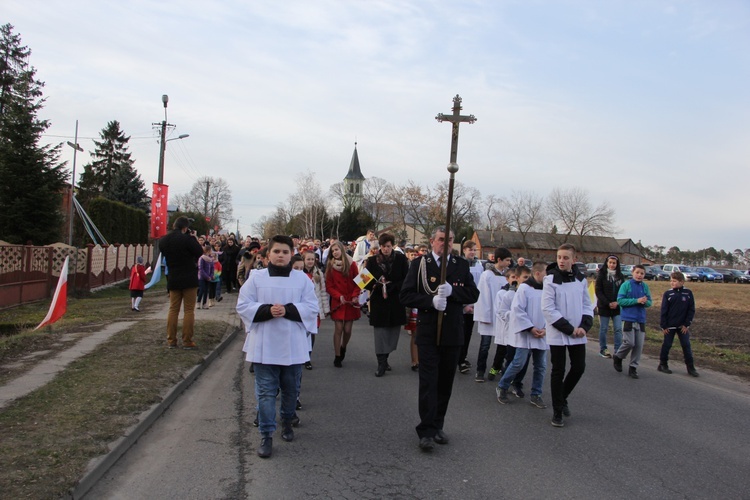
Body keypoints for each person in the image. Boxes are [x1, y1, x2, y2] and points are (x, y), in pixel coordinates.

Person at [236, 235, 319, 459]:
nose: (280, 255)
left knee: (291, 390)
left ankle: (287, 421)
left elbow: (312, 307)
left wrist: (289, 310)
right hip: (264, 344)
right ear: (267, 255)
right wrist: (266, 310)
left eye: (285, 252)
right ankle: (266, 434)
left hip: (293, 344)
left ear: (291, 254)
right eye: (276, 252)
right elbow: (243, 305)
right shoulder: (255, 277)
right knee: (265, 392)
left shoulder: (302, 279)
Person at [400, 227, 479, 452]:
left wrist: (453, 293)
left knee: (445, 382)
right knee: (428, 382)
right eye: (442, 240)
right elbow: (405, 295)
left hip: (452, 333)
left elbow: (474, 294)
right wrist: (430, 301)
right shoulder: (420, 265)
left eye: (450, 240)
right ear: (433, 241)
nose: (445, 244)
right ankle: (425, 430)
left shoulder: (461, 266)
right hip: (427, 333)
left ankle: (437, 425)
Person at [542, 243, 594, 428]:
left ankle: (562, 397)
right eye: (559, 257)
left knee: (579, 367)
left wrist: (584, 327)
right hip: (559, 332)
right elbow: (548, 309)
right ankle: (557, 411)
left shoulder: (580, 280)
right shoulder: (550, 280)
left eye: (565, 258)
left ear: (574, 260)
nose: (561, 261)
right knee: (559, 370)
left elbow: (587, 305)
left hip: (578, 332)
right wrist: (569, 329)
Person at [496, 262, 548, 409]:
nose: (548, 277)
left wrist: (545, 329)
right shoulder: (524, 289)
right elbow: (517, 310)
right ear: (538, 274)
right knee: (518, 363)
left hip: (542, 333)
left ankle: (536, 394)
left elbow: (551, 309)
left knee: (541, 366)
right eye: (546, 273)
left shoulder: (548, 289)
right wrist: (530, 328)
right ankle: (502, 386)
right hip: (526, 333)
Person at [363, 232, 409, 377]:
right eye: (383, 247)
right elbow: (362, 281)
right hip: (379, 302)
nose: (386, 249)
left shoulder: (401, 259)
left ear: (392, 246)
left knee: (392, 333)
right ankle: (381, 362)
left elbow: (407, 279)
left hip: (395, 301)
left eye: (388, 246)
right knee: (380, 333)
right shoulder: (372, 261)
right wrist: (375, 285)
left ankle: (386, 356)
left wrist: (394, 286)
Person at [158, 216, 203, 349]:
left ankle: (171, 340)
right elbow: (199, 252)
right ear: (185, 228)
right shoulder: (187, 239)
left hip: (173, 278)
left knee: (173, 309)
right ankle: (187, 340)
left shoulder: (164, 240)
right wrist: (193, 237)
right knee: (189, 310)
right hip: (189, 278)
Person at [473, 247, 513, 382]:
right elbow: (483, 297)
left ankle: (496, 367)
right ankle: (480, 370)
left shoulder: (508, 275)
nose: (509, 263)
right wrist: (485, 316)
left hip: (502, 318)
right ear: (499, 259)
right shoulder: (488, 275)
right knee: (485, 345)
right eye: (507, 260)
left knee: (502, 346)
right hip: (489, 316)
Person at [325, 240, 361, 367]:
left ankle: (343, 346)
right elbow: (329, 286)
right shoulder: (330, 265)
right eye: (332, 251)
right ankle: (337, 355)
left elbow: (360, 281)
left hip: (350, 300)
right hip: (338, 301)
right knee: (338, 328)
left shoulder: (352, 264)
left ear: (342, 249)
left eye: (336, 250)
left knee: (347, 329)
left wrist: (355, 295)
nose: (335, 252)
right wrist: (338, 296)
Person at [613, 264, 652, 379]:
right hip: (628, 318)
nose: (639, 275)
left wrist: (645, 302)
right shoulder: (626, 285)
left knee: (638, 346)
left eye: (642, 273)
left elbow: (650, 302)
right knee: (629, 342)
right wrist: (636, 301)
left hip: (640, 319)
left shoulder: (645, 287)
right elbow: (620, 301)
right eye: (637, 272)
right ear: (632, 273)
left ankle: (633, 367)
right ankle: (618, 357)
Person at [658, 271, 698, 377]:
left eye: (674, 281)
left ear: (681, 282)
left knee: (686, 346)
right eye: (671, 281)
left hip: (682, 326)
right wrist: (664, 325)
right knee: (667, 345)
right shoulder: (668, 294)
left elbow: (691, 310)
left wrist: (687, 324)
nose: (672, 283)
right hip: (670, 326)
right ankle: (663, 364)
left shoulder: (688, 293)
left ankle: (690, 367)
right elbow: (664, 310)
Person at [458, 240, 484, 374]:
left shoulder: (479, 265)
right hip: (463, 305)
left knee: (468, 332)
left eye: (474, 250)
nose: (473, 252)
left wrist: (476, 304)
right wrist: (464, 305)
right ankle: (459, 359)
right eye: (470, 250)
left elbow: (479, 286)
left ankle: (463, 356)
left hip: (474, 304)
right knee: (460, 332)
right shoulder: (460, 265)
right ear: (464, 250)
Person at [302, 250, 329, 370]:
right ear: (303, 260)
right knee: (302, 333)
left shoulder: (318, 273)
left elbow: (323, 291)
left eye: (312, 259)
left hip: (315, 309)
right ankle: (301, 355)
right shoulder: (299, 273)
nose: (310, 262)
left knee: (312, 333)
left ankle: (308, 357)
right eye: (308, 259)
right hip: (303, 308)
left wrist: (325, 308)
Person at [595, 255, 624, 358]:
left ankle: (618, 351)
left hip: (617, 307)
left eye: (614, 263)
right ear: (607, 263)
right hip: (604, 306)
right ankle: (603, 349)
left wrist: (617, 302)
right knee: (604, 328)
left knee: (618, 329)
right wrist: (608, 303)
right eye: (610, 262)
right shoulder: (601, 275)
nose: (612, 265)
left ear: (617, 264)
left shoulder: (620, 276)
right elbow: (598, 291)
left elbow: (623, 291)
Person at [197, 244, 214, 309]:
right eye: (210, 250)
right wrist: (206, 276)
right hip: (202, 277)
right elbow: (201, 268)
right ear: (207, 250)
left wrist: (211, 275)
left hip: (209, 277)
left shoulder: (211, 259)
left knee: (206, 290)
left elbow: (212, 268)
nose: (211, 251)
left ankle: (204, 303)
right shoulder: (202, 258)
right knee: (202, 289)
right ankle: (198, 302)